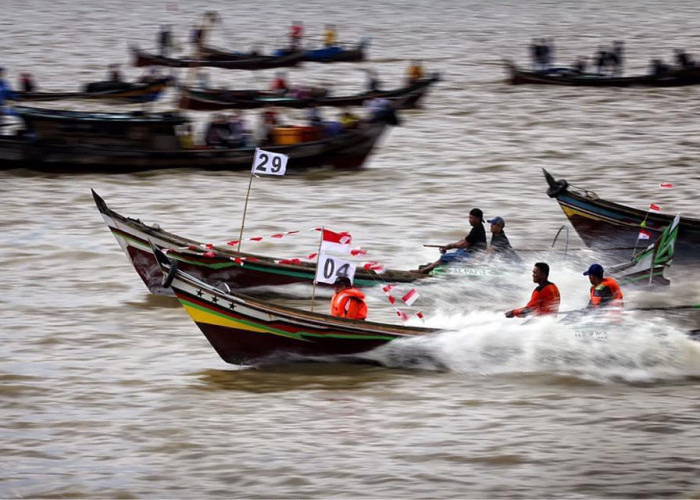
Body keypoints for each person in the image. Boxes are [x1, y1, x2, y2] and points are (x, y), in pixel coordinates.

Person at [416, 208, 487, 274]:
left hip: (473, 256)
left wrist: (450, 246)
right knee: (457, 252)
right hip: (470, 252)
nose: (469, 220)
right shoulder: (477, 227)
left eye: (471, 218)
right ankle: (435, 265)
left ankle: (422, 271)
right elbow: (464, 240)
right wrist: (448, 246)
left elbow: (463, 244)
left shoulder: (477, 229)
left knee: (444, 257)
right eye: (469, 217)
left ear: (478, 218)